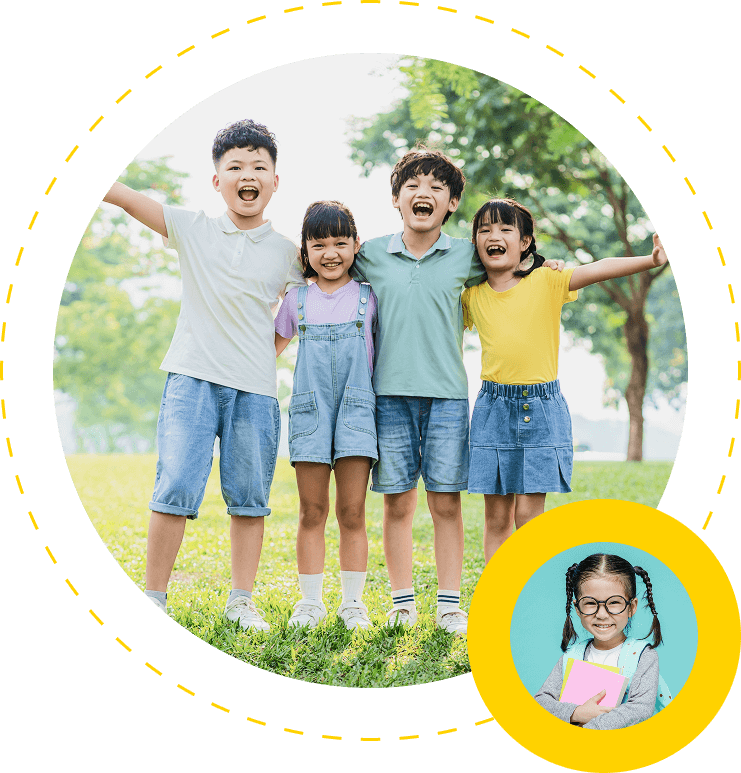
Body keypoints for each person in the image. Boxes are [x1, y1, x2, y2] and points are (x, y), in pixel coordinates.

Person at [350, 146, 563, 635]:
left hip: (447, 397)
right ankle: (403, 602)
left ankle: (450, 605)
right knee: (398, 502)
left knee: (446, 502)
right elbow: (331, 270)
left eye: (436, 188)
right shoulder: (371, 256)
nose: (423, 194)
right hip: (388, 397)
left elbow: (508, 267)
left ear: (450, 205)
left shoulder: (465, 256)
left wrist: (545, 266)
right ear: (396, 199)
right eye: (413, 187)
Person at [102, 119, 305, 631]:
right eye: (235, 166)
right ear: (217, 180)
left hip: (256, 391)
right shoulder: (191, 228)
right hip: (191, 380)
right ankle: (154, 597)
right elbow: (126, 197)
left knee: (250, 499)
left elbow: (302, 309)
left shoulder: (288, 253)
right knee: (173, 489)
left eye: (259, 166)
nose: (247, 174)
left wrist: (268, 352)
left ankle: (242, 603)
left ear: (276, 180)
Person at [462, 198, 668, 561]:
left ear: (525, 242)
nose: (494, 236)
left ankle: (527, 588)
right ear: (476, 242)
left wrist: (650, 260)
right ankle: (497, 592)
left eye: (505, 229)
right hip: (492, 409)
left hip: (540, 408)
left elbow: (600, 267)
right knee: (496, 518)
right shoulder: (471, 295)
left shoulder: (548, 279)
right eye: (485, 230)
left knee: (528, 516)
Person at [275, 201, 378, 631]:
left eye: (340, 242)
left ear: (356, 245)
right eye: (319, 244)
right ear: (305, 251)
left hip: (358, 412)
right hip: (309, 413)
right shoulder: (295, 299)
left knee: (352, 512)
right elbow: (267, 353)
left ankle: (352, 603)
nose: (330, 253)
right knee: (311, 511)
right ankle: (311, 602)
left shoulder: (370, 296)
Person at [534, 553, 662, 728]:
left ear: (631, 607)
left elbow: (641, 707)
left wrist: (592, 727)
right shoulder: (572, 655)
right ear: (577, 608)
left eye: (614, 602)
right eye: (590, 603)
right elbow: (540, 701)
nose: (601, 614)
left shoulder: (643, 656)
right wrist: (577, 713)